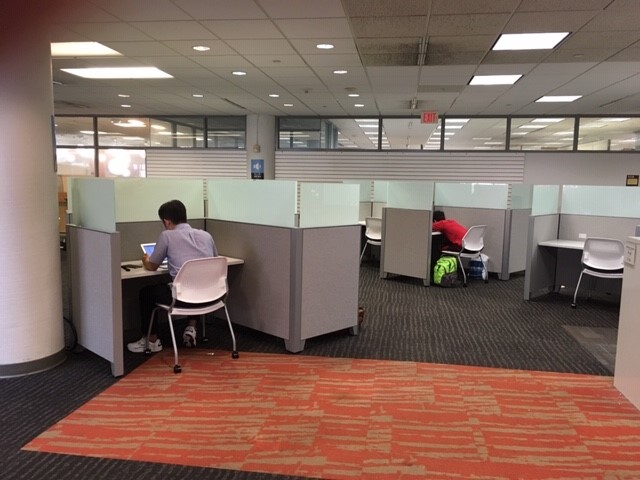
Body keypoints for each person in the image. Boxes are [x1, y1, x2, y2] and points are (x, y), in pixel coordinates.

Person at [127, 199, 218, 354]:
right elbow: (215, 262)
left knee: (146, 292)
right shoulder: (206, 235)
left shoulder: (167, 235)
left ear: (167, 221)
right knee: (194, 282)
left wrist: (145, 259)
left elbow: (152, 266)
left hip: (184, 298)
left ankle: (151, 341)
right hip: (211, 296)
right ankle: (191, 327)